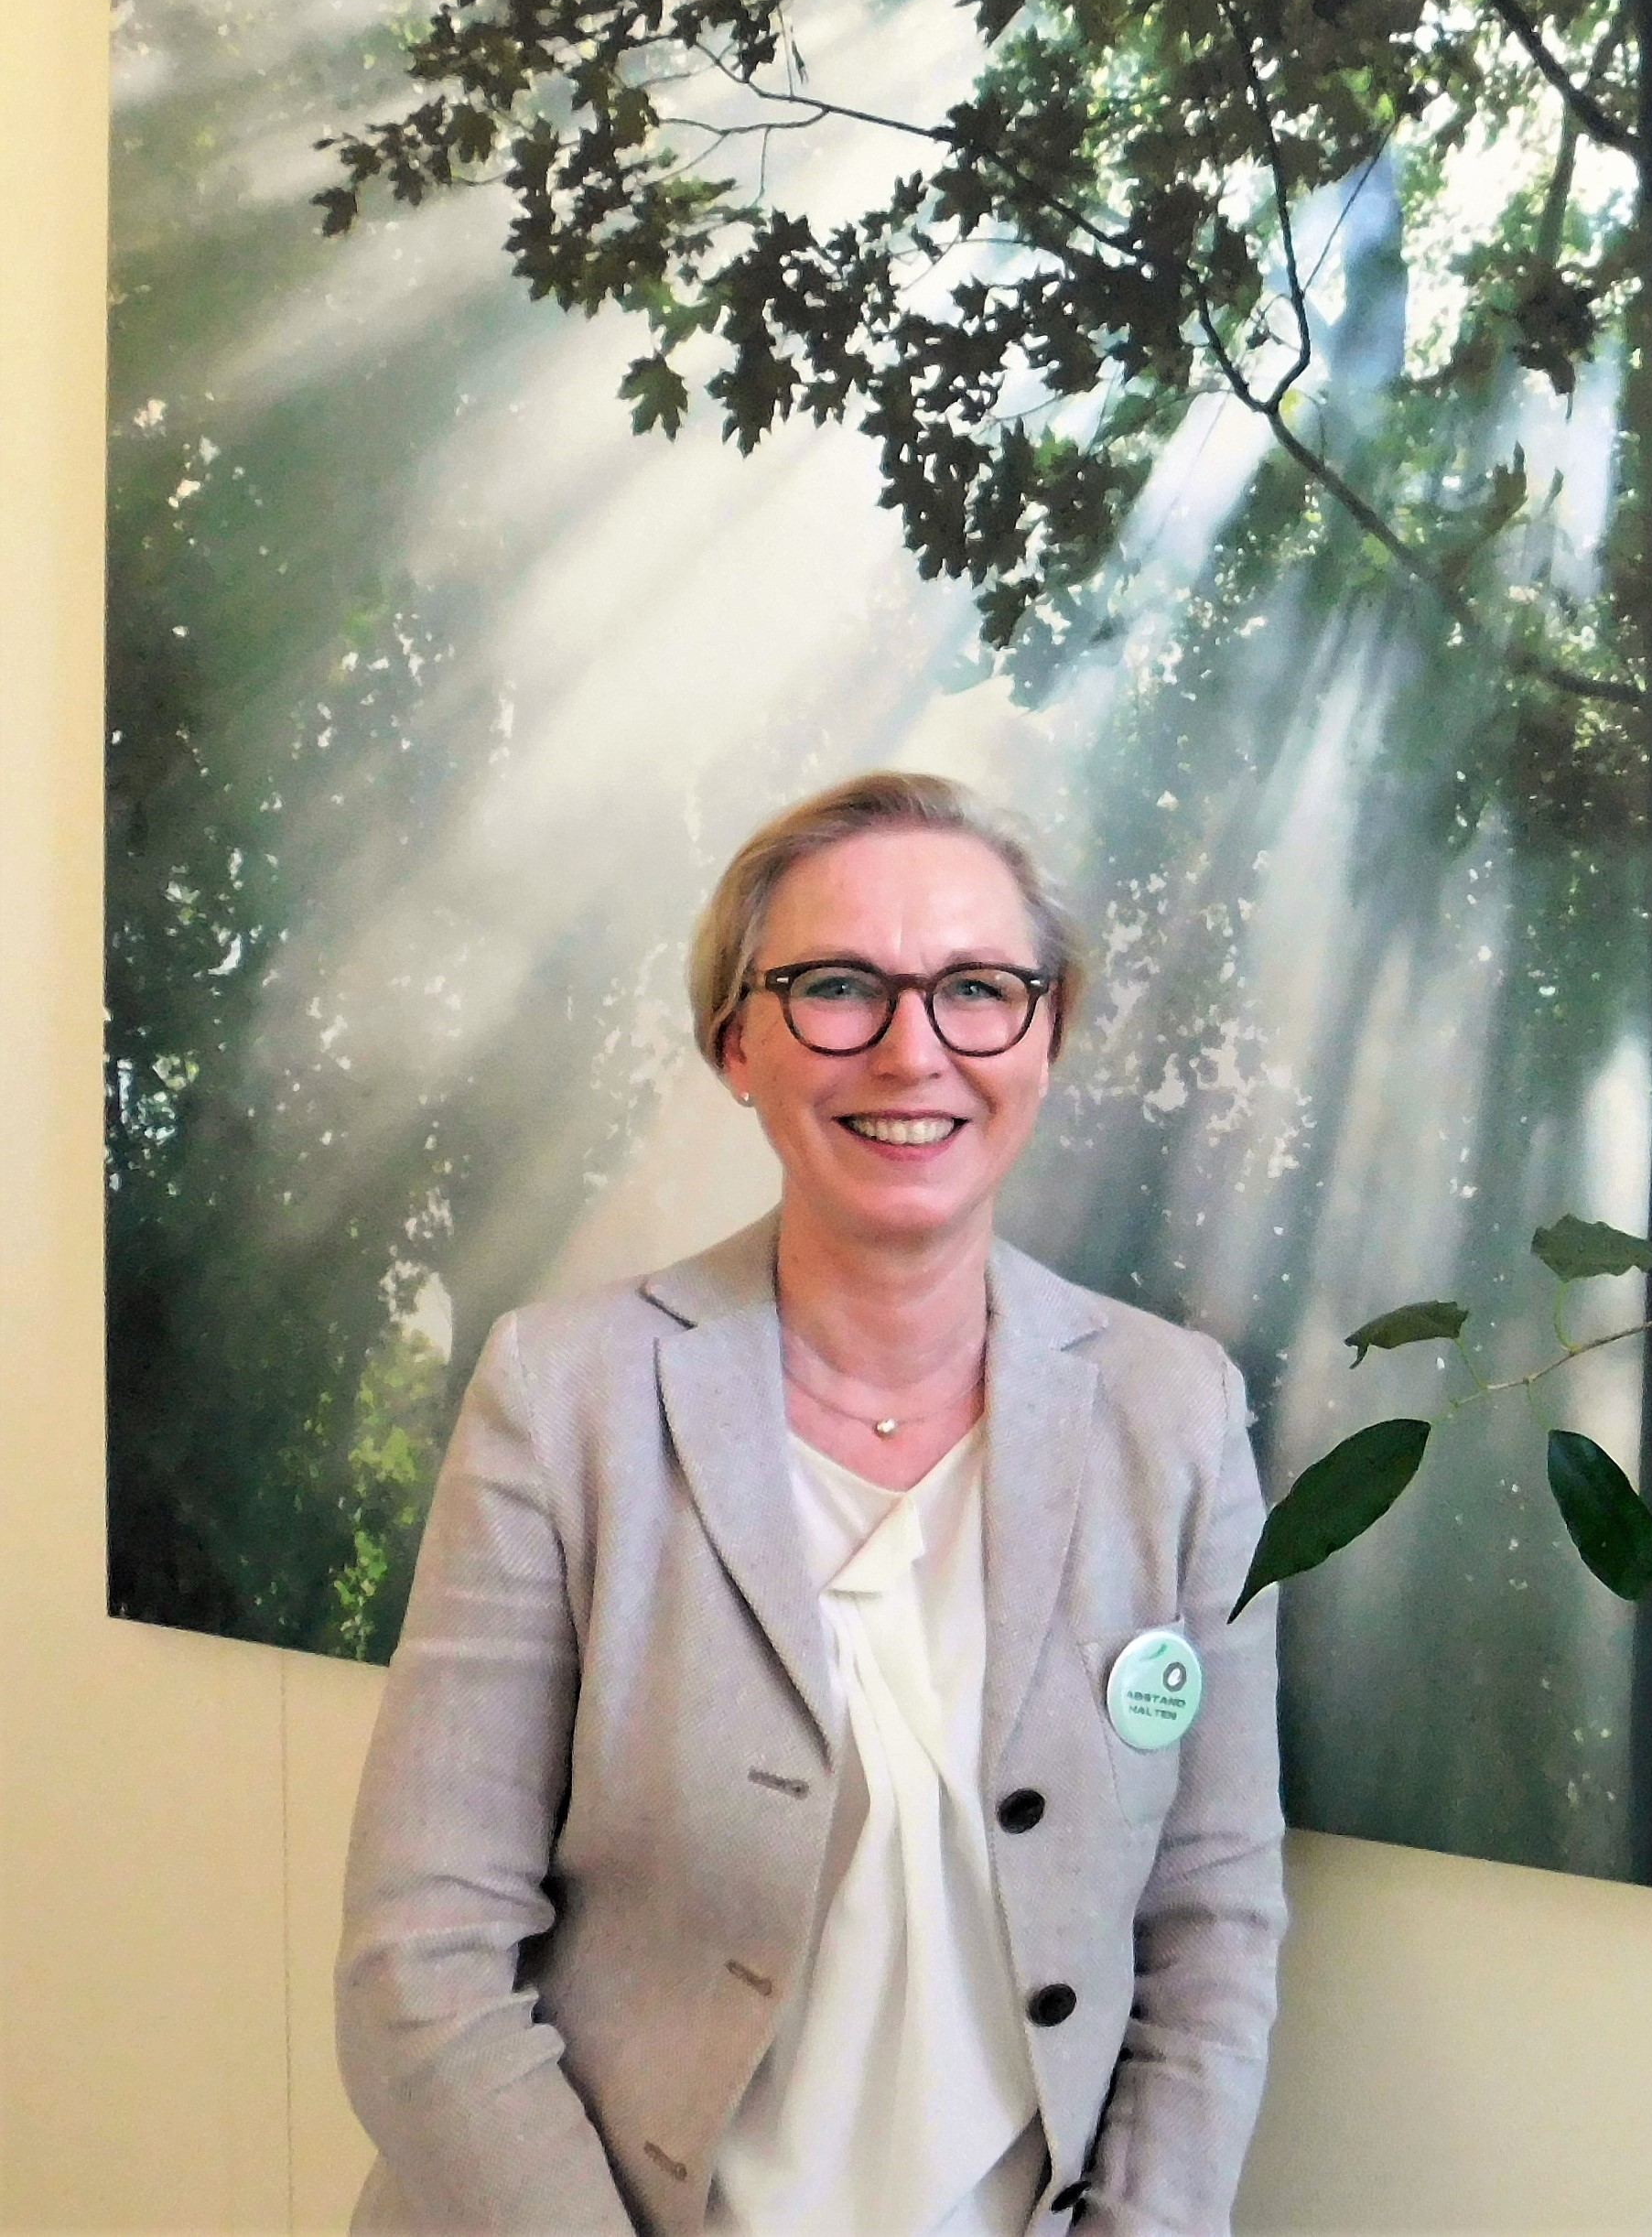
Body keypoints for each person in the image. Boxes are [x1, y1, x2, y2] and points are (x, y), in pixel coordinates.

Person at [337, 772, 1286, 2237]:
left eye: (978, 987)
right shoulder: (564, 1395)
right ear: (738, 1041)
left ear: (1047, 1032)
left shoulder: (1178, 1414)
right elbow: (423, 1957)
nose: (914, 1050)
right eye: (839, 987)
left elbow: (1211, 1934)